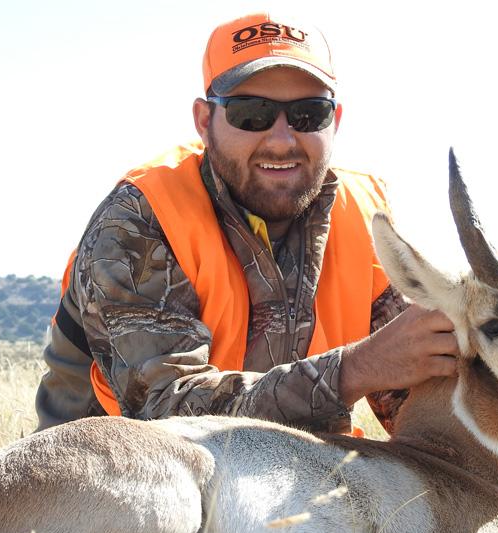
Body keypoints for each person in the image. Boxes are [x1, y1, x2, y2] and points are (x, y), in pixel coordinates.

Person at [35, 12, 458, 434]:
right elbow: (164, 412)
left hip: (288, 473)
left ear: (336, 121)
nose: (280, 139)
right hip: (111, 471)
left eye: (308, 114)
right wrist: (354, 370)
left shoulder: (364, 217)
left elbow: (415, 394)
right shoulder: (142, 219)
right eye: (251, 113)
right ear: (204, 121)